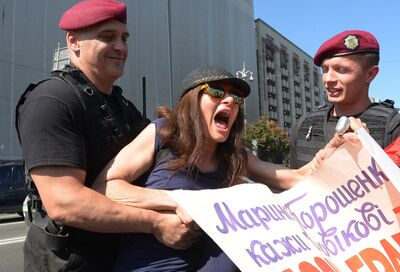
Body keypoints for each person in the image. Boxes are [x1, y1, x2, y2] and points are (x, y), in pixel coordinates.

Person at [92, 66, 362, 271]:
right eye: (217, 91)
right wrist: (179, 201)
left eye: (236, 97)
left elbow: (296, 177)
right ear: (191, 100)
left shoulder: (234, 155)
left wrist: (331, 153)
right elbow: (105, 187)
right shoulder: (163, 133)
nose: (230, 101)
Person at [15, 0, 195, 271]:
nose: (121, 47)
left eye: (124, 38)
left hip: (118, 257)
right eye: (107, 37)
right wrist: (155, 222)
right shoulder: (52, 99)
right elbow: (65, 203)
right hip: (69, 262)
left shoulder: (123, 107)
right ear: (73, 41)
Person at [289, 30, 400, 168]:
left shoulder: (396, 129)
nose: (328, 79)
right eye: (325, 70)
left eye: (341, 70)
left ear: (370, 74)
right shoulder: (304, 126)